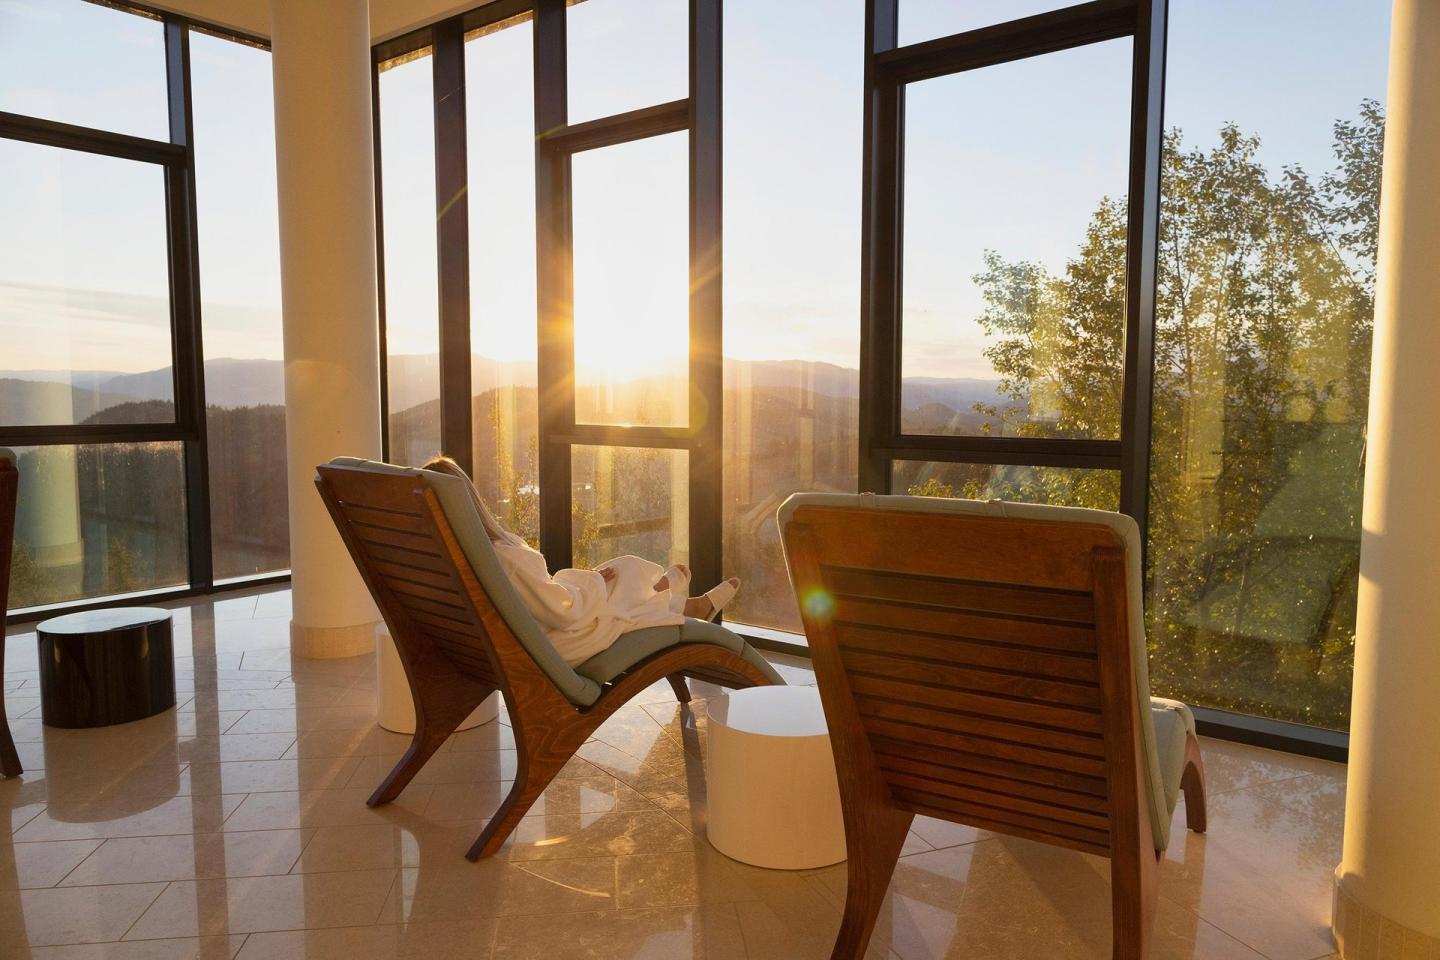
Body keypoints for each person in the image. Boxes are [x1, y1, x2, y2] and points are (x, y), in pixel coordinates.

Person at [421, 456, 740, 667]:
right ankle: (684, 606)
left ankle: (680, 604)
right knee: (623, 580)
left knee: (621, 580)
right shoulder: (504, 556)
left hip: (526, 637)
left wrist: (591, 583)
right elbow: (567, 613)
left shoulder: (448, 555)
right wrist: (597, 583)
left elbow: (541, 600)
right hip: (558, 644)